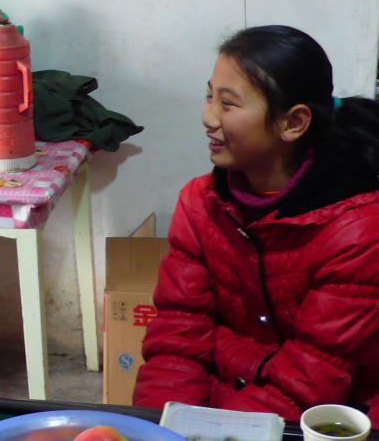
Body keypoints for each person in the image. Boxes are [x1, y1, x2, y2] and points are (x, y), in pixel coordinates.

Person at [132, 25, 379, 423]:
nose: (208, 117)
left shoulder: (358, 229)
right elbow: (178, 336)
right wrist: (162, 426)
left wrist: (218, 432)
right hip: (230, 400)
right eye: (209, 95)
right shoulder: (200, 204)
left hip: (333, 414)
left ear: (293, 123)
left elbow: (313, 375)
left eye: (228, 104)